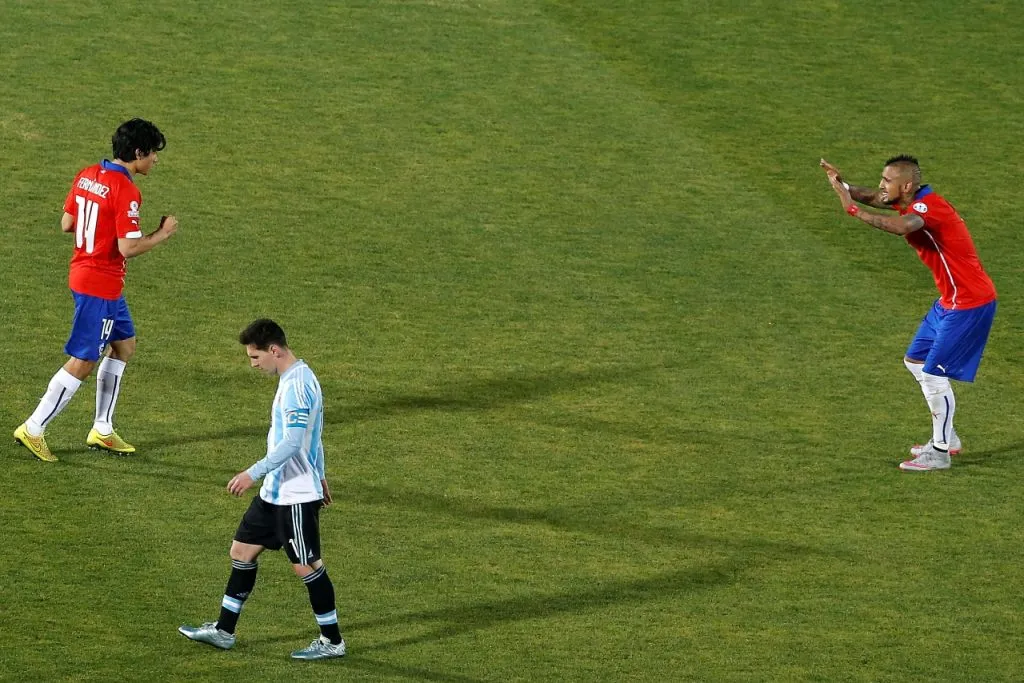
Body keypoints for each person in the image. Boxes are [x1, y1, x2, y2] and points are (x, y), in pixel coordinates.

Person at [13, 118, 178, 462]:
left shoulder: (87, 174)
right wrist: (162, 234)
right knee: (84, 360)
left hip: (90, 276)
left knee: (124, 345)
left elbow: (67, 223)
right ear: (137, 153)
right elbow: (128, 247)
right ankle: (33, 427)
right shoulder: (127, 190)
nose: (156, 161)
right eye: (153, 154)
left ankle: (102, 429)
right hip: (99, 285)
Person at [179, 319, 345, 661]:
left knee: (307, 565)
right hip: (274, 493)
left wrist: (251, 473)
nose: (253, 364)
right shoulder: (295, 378)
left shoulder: (298, 386)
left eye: (255, 357)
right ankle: (224, 631)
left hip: (294, 495)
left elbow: (293, 442)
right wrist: (323, 475)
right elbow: (317, 436)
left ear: (274, 350)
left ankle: (332, 642)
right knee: (241, 551)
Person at [820, 155, 997, 471]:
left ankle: (940, 451)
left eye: (887, 180)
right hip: (950, 300)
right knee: (915, 361)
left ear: (907, 185)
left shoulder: (927, 209)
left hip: (969, 303)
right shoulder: (913, 200)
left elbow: (901, 226)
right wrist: (841, 184)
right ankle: (948, 436)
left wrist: (852, 209)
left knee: (933, 374)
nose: (881, 186)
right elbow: (875, 198)